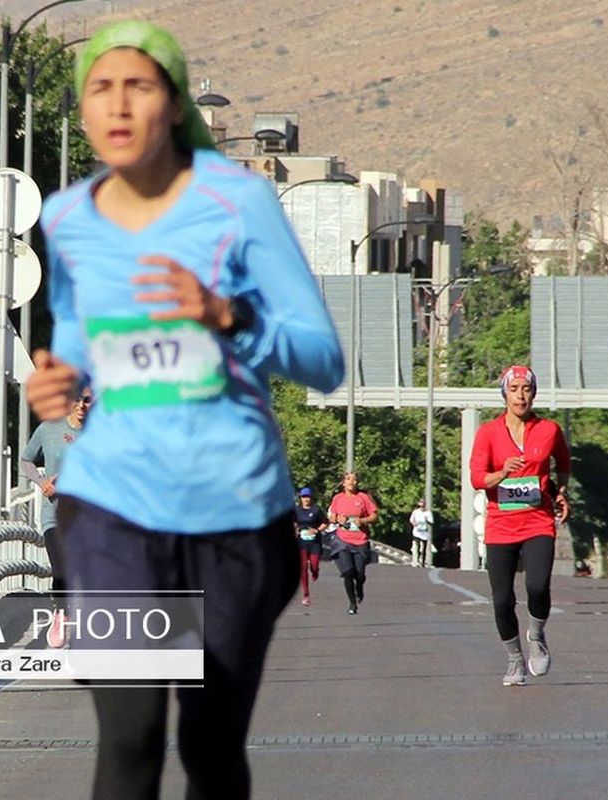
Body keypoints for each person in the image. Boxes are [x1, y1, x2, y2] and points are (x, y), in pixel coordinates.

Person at [25, 19, 344, 800]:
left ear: (172, 104)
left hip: (233, 509)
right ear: (84, 110)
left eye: (139, 85)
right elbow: (75, 342)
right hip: (112, 512)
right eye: (101, 88)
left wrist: (229, 316)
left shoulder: (237, 203)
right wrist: (56, 383)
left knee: (209, 744)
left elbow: (323, 358)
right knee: (128, 740)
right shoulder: (66, 219)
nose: (119, 104)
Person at [469, 365, 571, 687]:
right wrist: (501, 473)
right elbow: (476, 478)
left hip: (538, 520)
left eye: (525, 389)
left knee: (537, 587)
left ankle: (537, 635)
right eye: (514, 390)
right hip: (501, 524)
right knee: (502, 599)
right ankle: (514, 660)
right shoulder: (488, 433)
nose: (520, 396)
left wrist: (561, 492)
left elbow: (563, 464)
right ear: (505, 394)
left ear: (533, 393)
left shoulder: (549, 430)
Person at [19, 387, 93, 648]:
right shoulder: (49, 429)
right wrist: (41, 482)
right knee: (61, 568)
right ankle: (62, 614)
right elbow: (26, 460)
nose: (83, 405)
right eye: (79, 399)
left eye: (89, 400)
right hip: (55, 514)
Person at [327, 471, 379, 614]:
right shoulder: (338, 498)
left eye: (354, 480)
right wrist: (338, 518)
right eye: (348, 480)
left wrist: (362, 520)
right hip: (343, 540)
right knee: (348, 572)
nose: (351, 482)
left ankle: (360, 587)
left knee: (359, 574)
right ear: (343, 483)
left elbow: (374, 516)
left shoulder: (363, 498)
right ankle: (352, 603)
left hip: (360, 540)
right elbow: (331, 517)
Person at [294, 487, 328, 606]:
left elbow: (325, 522)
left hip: (314, 542)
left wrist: (317, 530)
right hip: (301, 543)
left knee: (314, 565)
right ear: (301, 499)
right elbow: (293, 522)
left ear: (311, 498)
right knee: (303, 568)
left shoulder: (316, 509)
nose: (306, 499)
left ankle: (315, 571)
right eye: (303, 497)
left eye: (308, 497)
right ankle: (306, 594)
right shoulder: (297, 510)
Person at [409, 498, 434, 568]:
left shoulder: (428, 513)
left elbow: (431, 522)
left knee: (423, 548)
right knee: (415, 546)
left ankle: (422, 561)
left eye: (423, 505)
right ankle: (415, 561)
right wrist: (414, 524)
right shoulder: (415, 512)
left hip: (424, 533)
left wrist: (427, 520)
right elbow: (411, 520)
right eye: (420, 505)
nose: (422, 507)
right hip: (416, 532)